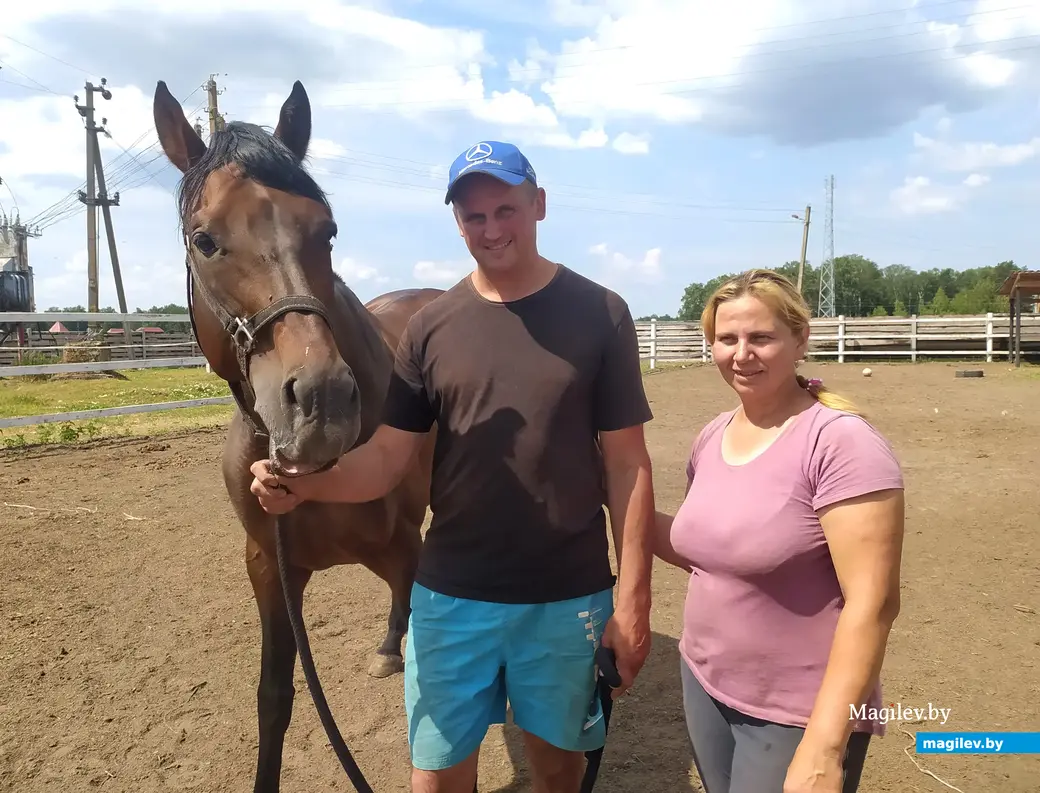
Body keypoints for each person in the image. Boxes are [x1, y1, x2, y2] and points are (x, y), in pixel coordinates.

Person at [249, 140, 656, 793]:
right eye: (474, 217)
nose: (491, 229)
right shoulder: (431, 328)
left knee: (556, 770)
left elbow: (628, 465)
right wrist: (307, 485)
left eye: (506, 209)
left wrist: (634, 601)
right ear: (458, 223)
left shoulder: (600, 313)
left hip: (565, 596)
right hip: (451, 598)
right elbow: (386, 457)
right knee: (435, 777)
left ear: (538, 205)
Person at [652, 269, 905, 793]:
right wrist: (605, 494)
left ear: (799, 339)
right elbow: (709, 551)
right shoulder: (713, 435)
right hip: (705, 681)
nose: (742, 353)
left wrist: (825, 745)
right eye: (727, 339)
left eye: (761, 337)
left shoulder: (840, 443)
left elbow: (874, 603)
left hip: (795, 708)